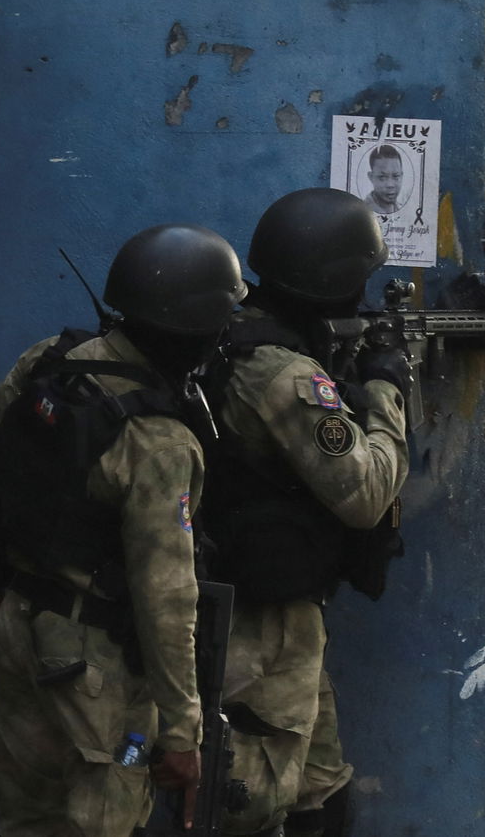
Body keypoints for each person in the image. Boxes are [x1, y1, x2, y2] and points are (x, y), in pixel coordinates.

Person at [0, 224, 247, 837]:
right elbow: (167, 599)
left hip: (16, 634)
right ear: (199, 332)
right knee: (103, 813)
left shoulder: (51, 363)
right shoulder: (160, 443)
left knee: (26, 821)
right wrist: (184, 735)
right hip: (95, 674)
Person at [200, 188, 410, 837]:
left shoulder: (236, 335)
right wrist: (384, 390)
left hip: (277, 617)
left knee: (319, 790)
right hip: (261, 628)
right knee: (255, 804)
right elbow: (366, 493)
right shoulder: (284, 375)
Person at [364, 144, 405, 216]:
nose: (390, 185)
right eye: (382, 177)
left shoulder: (403, 209)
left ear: (401, 176)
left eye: (396, 176)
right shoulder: (363, 209)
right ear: (371, 177)